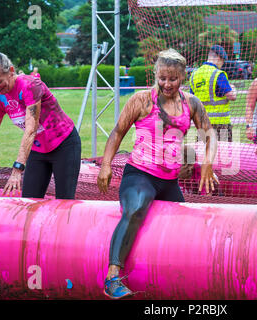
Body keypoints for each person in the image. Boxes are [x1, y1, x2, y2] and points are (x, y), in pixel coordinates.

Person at [97, 48, 218, 299]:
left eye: (172, 79)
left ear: (182, 77)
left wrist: (208, 163)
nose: (166, 83)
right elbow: (117, 132)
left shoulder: (191, 103)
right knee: (136, 208)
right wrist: (106, 164)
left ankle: (177, 279)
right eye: (162, 78)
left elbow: (209, 134)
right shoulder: (142, 100)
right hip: (139, 175)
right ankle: (112, 278)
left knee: (183, 227)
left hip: (168, 181)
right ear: (156, 75)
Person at [0, 52, 81, 199]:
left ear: (11, 71)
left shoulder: (30, 85)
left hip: (64, 145)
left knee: (64, 202)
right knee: (28, 201)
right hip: (37, 149)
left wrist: (17, 169)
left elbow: (31, 129)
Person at [190, 45, 237, 141]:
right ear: (218, 58)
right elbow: (231, 96)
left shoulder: (194, 75)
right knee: (224, 154)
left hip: (202, 124)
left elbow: (192, 99)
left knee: (205, 153)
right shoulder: (218, 74)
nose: (222, 64)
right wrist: (233, 88)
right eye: (222, 61)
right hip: (221, 125)